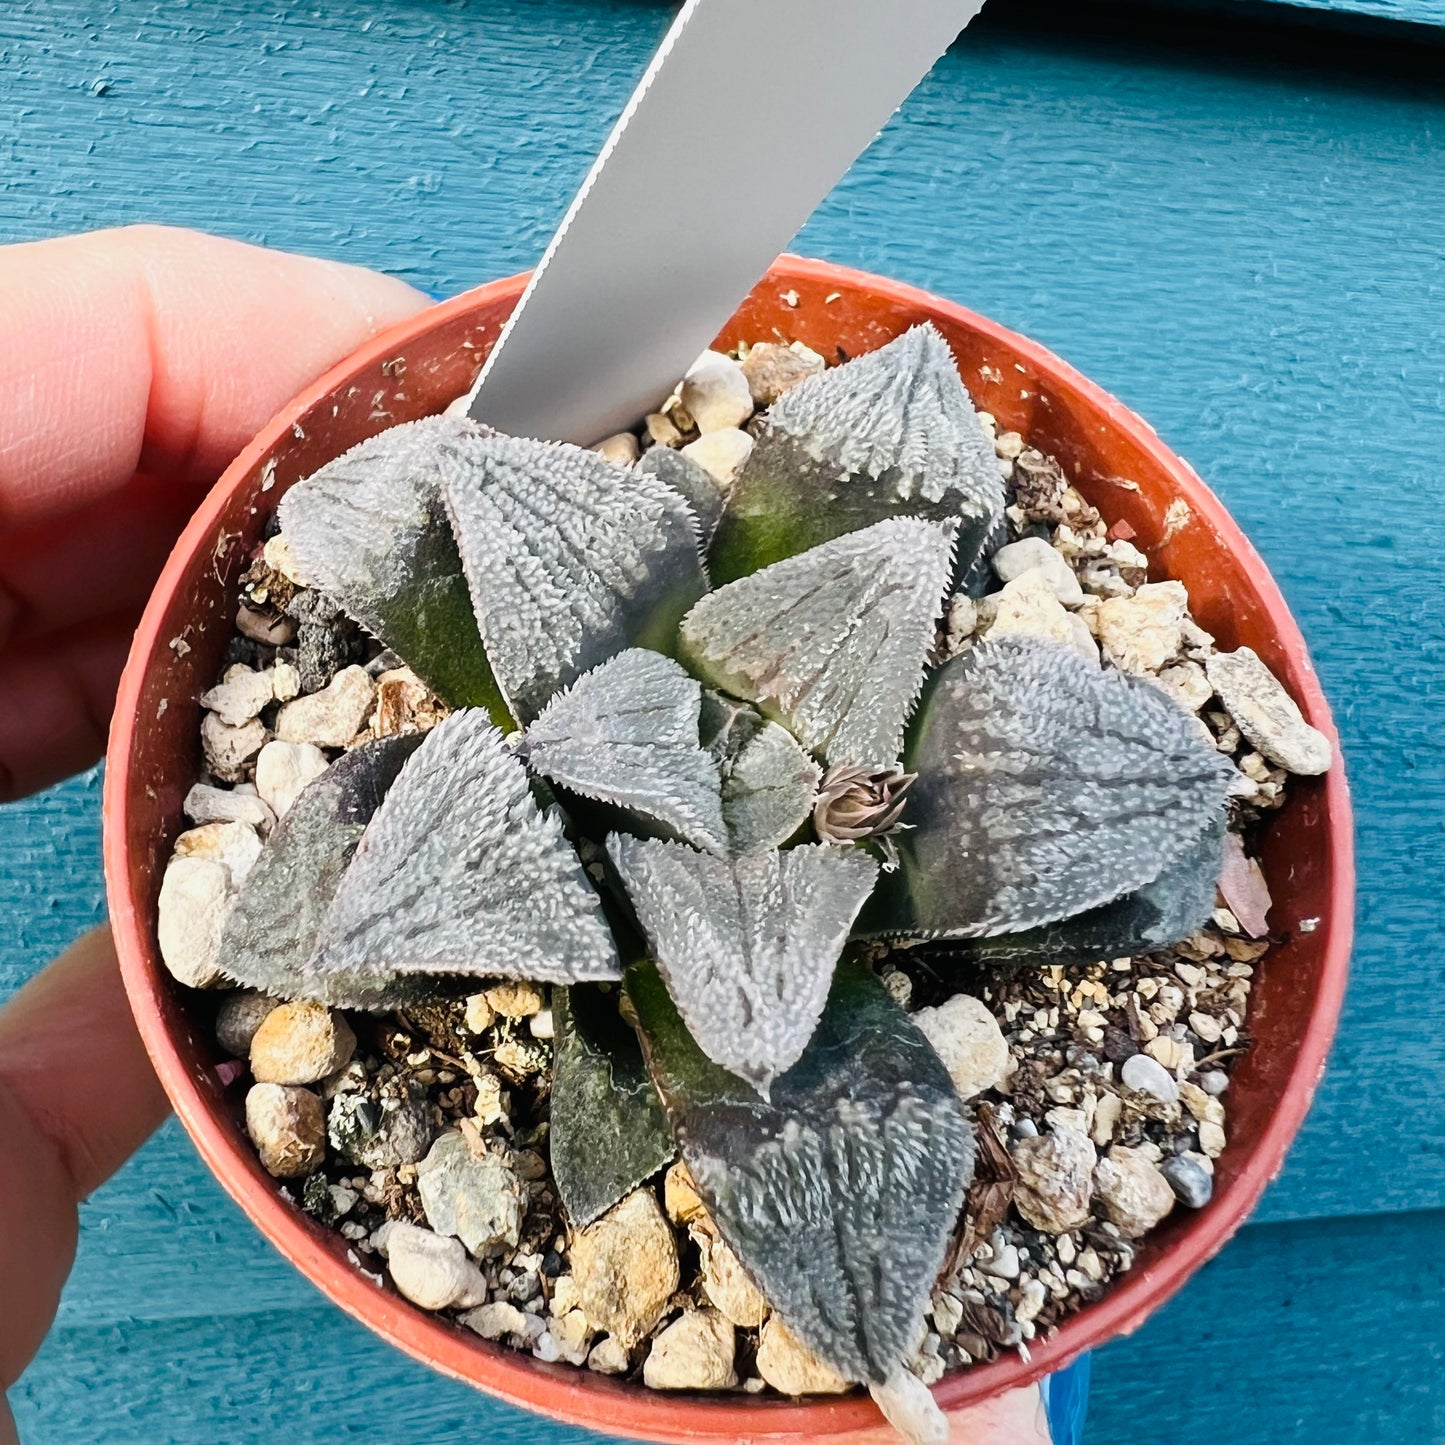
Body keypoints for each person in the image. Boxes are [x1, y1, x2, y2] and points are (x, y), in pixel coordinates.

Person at [0, 226, 1063, 1445]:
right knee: (374, 888)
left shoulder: (828, 688)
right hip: (602, 802)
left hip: (760, 934)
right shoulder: (567, 744)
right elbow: (383, 508)